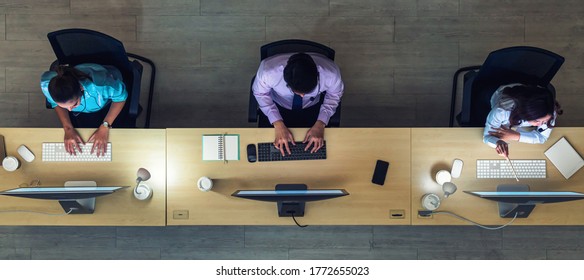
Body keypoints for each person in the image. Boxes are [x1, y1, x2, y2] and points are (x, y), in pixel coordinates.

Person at [252, 52, 344, 156]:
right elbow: (260, 93)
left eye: (307, 92)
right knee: (269, 150)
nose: (302, 96)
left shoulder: (331, 74)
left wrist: (321, 123)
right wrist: (277, 123)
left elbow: (334, 95)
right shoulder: (268, 71)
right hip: (277, 106)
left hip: (312, 107)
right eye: (297, 92)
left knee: (318, 150)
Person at [40, 63, 128, 156]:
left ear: (81, 89)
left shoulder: (102, 85)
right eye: (63, 106)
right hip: (86, 107)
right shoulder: (48, 84)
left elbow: (121, 98)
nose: (69, 110)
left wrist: (105, 126)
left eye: (74, 104)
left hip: (106, 100)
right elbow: (54, 103)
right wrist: (68, 128)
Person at [483, 83, 563, 157]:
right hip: (502, 96)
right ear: (525, 114)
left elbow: (542, 137)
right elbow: (487, 136)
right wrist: (497, 142)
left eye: (544, 122)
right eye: (537, 121)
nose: (541, 125)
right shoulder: (501, 111)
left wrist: (515, 136)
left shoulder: (549, 110)